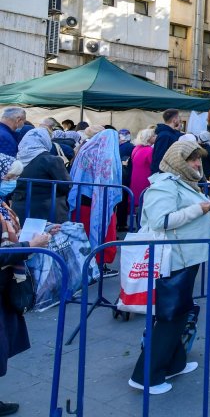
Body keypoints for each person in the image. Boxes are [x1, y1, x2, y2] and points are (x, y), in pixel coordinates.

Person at [128, 140, 210, 395]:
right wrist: (197, 209)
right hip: (174, 259)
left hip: (186, 257)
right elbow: (159, 220)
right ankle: (146, 375)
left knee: (179, 312)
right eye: (192, 160)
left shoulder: (184, 183)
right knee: (170, 315)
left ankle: (174, 363)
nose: (198, 164)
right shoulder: (165, 185)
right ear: (179, 161)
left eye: (198, 159)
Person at [0, 153, 56, 415]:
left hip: (6, 282)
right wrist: (30, 245)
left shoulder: (2, 203)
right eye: (8, 177)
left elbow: (9, 236)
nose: (11, 182)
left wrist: (40, 231)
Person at [68, 127, 122, 270]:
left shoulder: (86, 149)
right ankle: (97, 263)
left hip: (82, 196)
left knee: (82, 231)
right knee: (101, 230)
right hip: (99, 199)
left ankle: (82, 263)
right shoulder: (105, 154)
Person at [13, 127, 70, 224]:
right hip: (47, 211)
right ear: (46, 140)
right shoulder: (51, 160)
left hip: (20, 210)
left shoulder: (15, 159)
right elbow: (66, 185)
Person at [130, 128, 156, 211]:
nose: (155, 137)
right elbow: (153, 164)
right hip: (145, 179)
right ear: (148, 138)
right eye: (153, 136)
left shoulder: (136, 148)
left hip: (135, 178)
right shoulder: (150, 150)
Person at [151, 110, 183, 175]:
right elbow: (159, 157)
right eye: (178, 117)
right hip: (163, 175)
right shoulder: (165, 135)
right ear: (174, 120)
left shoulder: (171, 134)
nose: (180, 120)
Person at [117, 129, 135, 231]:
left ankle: (119, 223)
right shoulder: (130, 147)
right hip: (125, 177)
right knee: (123, 201)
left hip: (118, 177)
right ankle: (122, 223)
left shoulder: (118, 146)